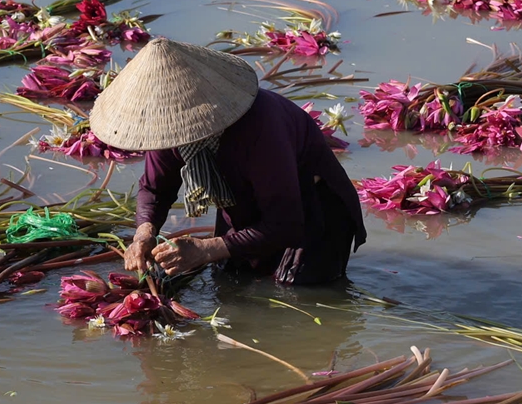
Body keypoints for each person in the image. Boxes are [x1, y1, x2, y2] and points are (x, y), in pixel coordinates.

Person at [90, 38, 366, 285]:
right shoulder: (166, 126)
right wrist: (143, 233)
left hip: (309, 207)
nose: (174, 134)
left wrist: (207, 248)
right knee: (230, 280)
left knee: (298, 293)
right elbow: (155, 189)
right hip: (241, 201)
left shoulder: (260, 129)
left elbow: (285, 224)